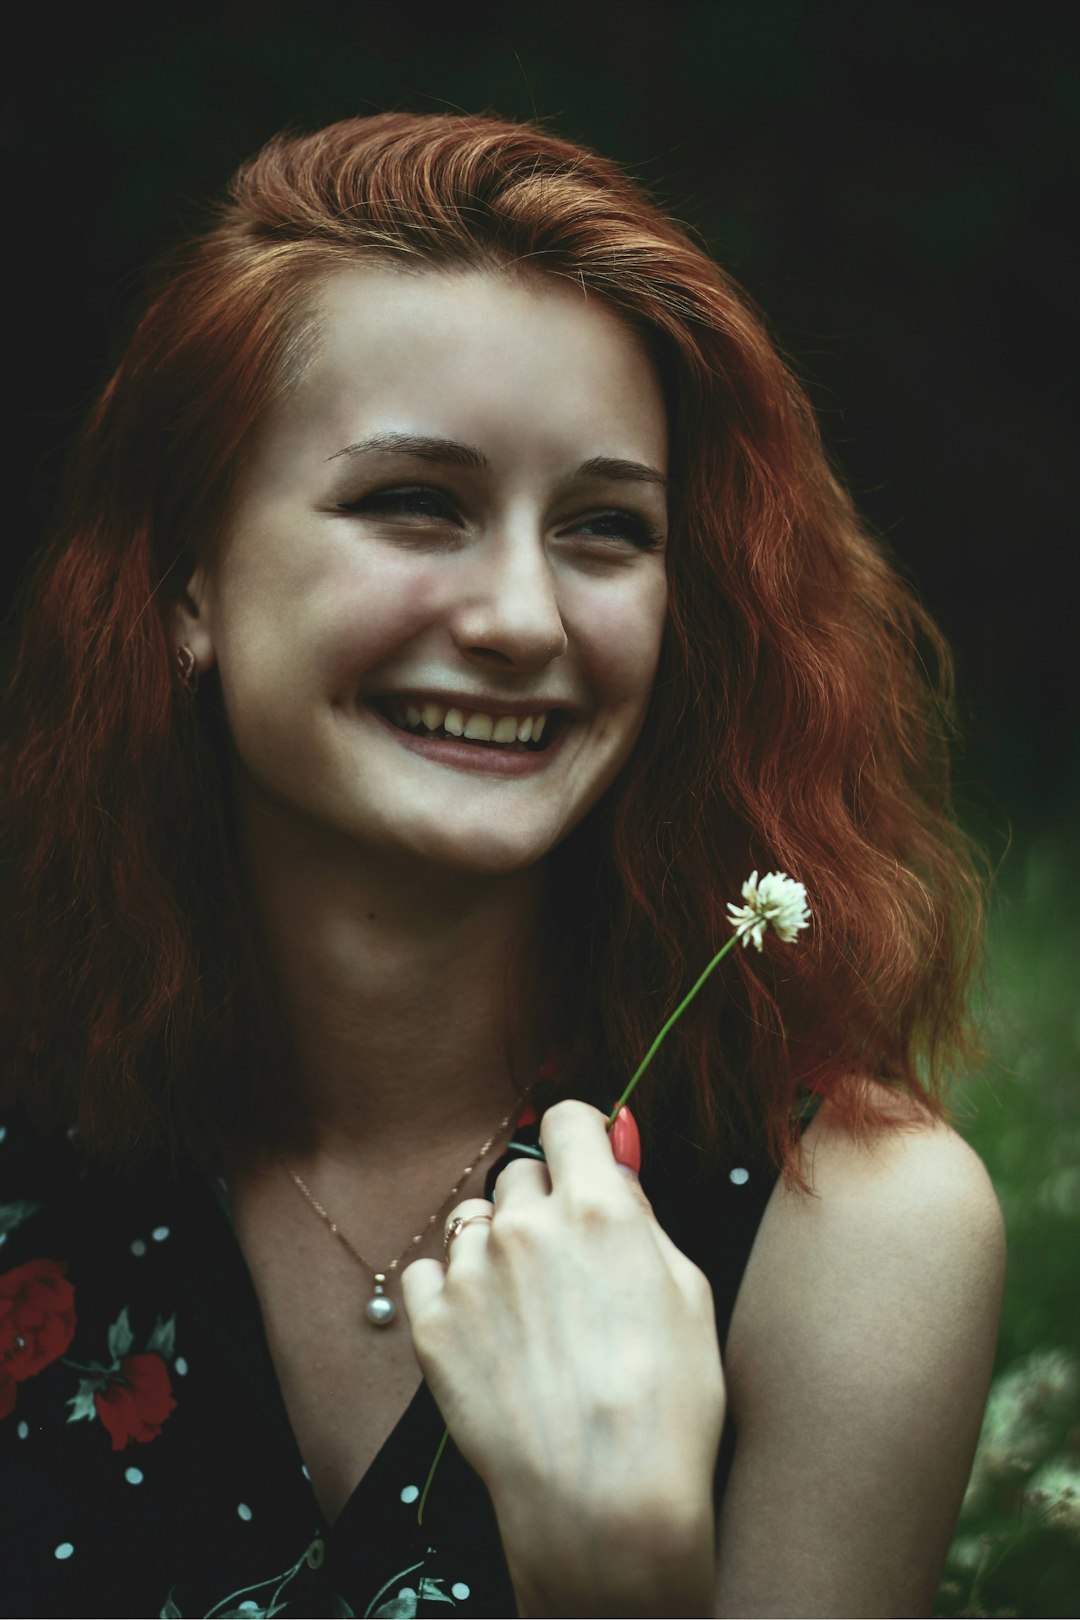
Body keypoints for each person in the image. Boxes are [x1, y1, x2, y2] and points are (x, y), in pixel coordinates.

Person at [0, 112, 1005, 1618]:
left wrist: (620, 1584)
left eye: (607, 529)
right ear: (186, 579)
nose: (526, 619)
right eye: (417, 502)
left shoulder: (850, 1233)